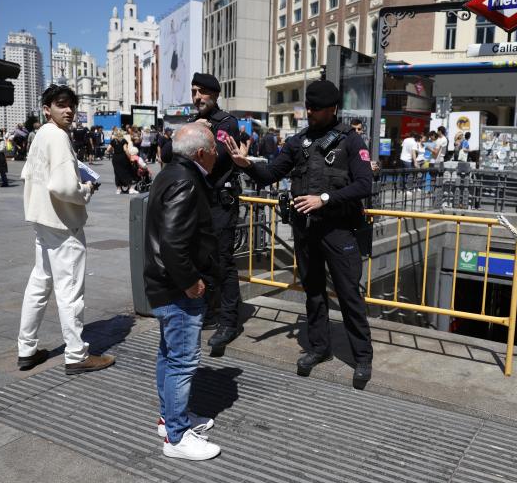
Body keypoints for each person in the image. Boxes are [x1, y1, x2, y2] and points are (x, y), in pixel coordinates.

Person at [232, 80, 374, 389]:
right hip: (306, 231)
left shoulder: (351, 141)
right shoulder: (298, 143)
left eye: (316, 109)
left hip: (338, 231)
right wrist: (247, 165)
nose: (309, 112)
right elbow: (271, 173)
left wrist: (323, 199)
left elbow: (365, 184)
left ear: (333, 109)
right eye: (307, 107)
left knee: (349, 295)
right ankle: (319, 348)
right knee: (313, 293)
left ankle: (362, 358)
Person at [17, 84, 115, 374]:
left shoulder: (40, 135)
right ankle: (76, 354)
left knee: (39, 285)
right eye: (61, 105)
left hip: (41, 220)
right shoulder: (58, 136)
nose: (69, 110)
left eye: (71, 104)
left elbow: (28, 174)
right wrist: (84, 190)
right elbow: (62, 186)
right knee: (69, 289)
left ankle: (27, 348)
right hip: (62, 223)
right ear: (47, 109)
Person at [143, 123, 221, 461]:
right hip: (177, 289)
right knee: (183, 360)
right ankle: (176, 436)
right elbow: (174, 243)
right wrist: (191, 282)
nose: (218, 154)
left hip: (164, 285)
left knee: (169, 354)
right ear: (202, 152)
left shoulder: (171, 171)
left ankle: (169, 419)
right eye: (216, 149)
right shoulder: (186, 182)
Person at [189, 73, 242, 347]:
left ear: (215, 95)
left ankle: (229, 321)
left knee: (223, 262)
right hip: (198, 204)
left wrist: (196, 136)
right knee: (202, 261)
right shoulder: (193, 123)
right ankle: (210, 311)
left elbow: (214, 157)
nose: (197, 97)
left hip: (221, 203)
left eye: (202, 92)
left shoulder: (226, 123)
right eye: (194, 92)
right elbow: (169, 151)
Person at [110, 129, 137, 194]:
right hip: (123, 157)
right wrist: (130, 157)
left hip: (115, 158)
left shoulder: (113, 141)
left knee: (117, 173)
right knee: (126, 172)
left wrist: (113, 152)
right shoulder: (123, 140)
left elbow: (108, 149)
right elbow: (125, 149)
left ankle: (118, 189)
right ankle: (130, 188)